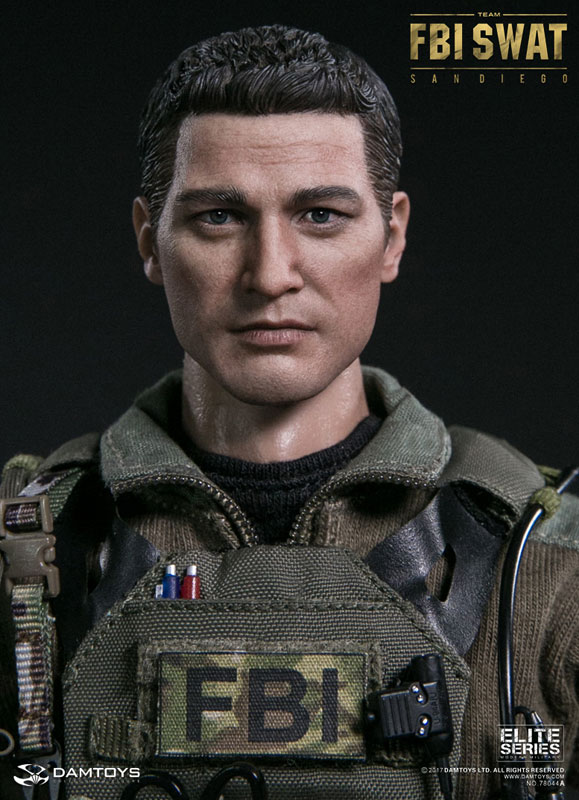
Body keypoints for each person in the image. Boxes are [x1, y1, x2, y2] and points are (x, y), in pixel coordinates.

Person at [0, 24, 577, 800]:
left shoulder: (545, 565)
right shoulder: (28, 548)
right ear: (149, 240)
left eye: (320, 215)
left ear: (391, 237)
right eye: (218, 217)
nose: (270, 274)